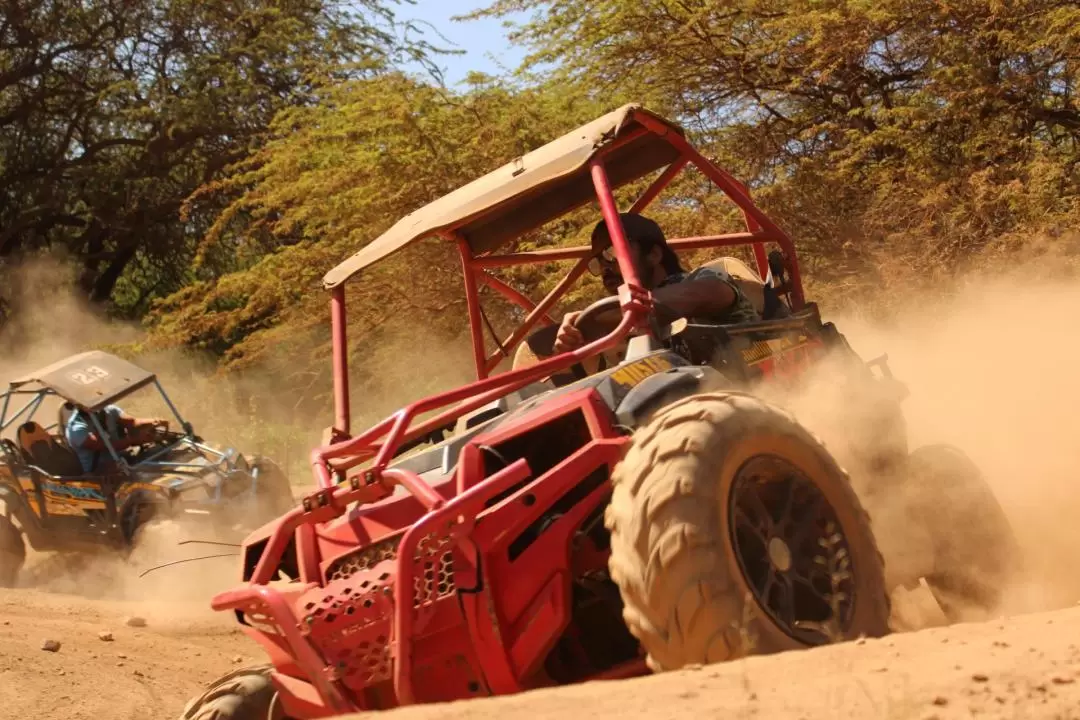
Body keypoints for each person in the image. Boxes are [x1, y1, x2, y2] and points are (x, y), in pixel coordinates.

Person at [552, 212, 761, 353]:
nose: (605, 266)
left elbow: (705, 293)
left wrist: (593, 317)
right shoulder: (623, 322)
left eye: (612, 252)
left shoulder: (703, 279)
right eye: (598, 261)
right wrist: (574, 334)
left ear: (653, 254)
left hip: (755, 384)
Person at [63, 404, 169, 474]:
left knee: (160, 451)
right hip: (98, 471)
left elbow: (132, 422)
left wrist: (155, 422)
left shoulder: (109, 410)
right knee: (139, 472)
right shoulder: (76, 428)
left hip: (119, 459)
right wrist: (133, 439)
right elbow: (107, 446)